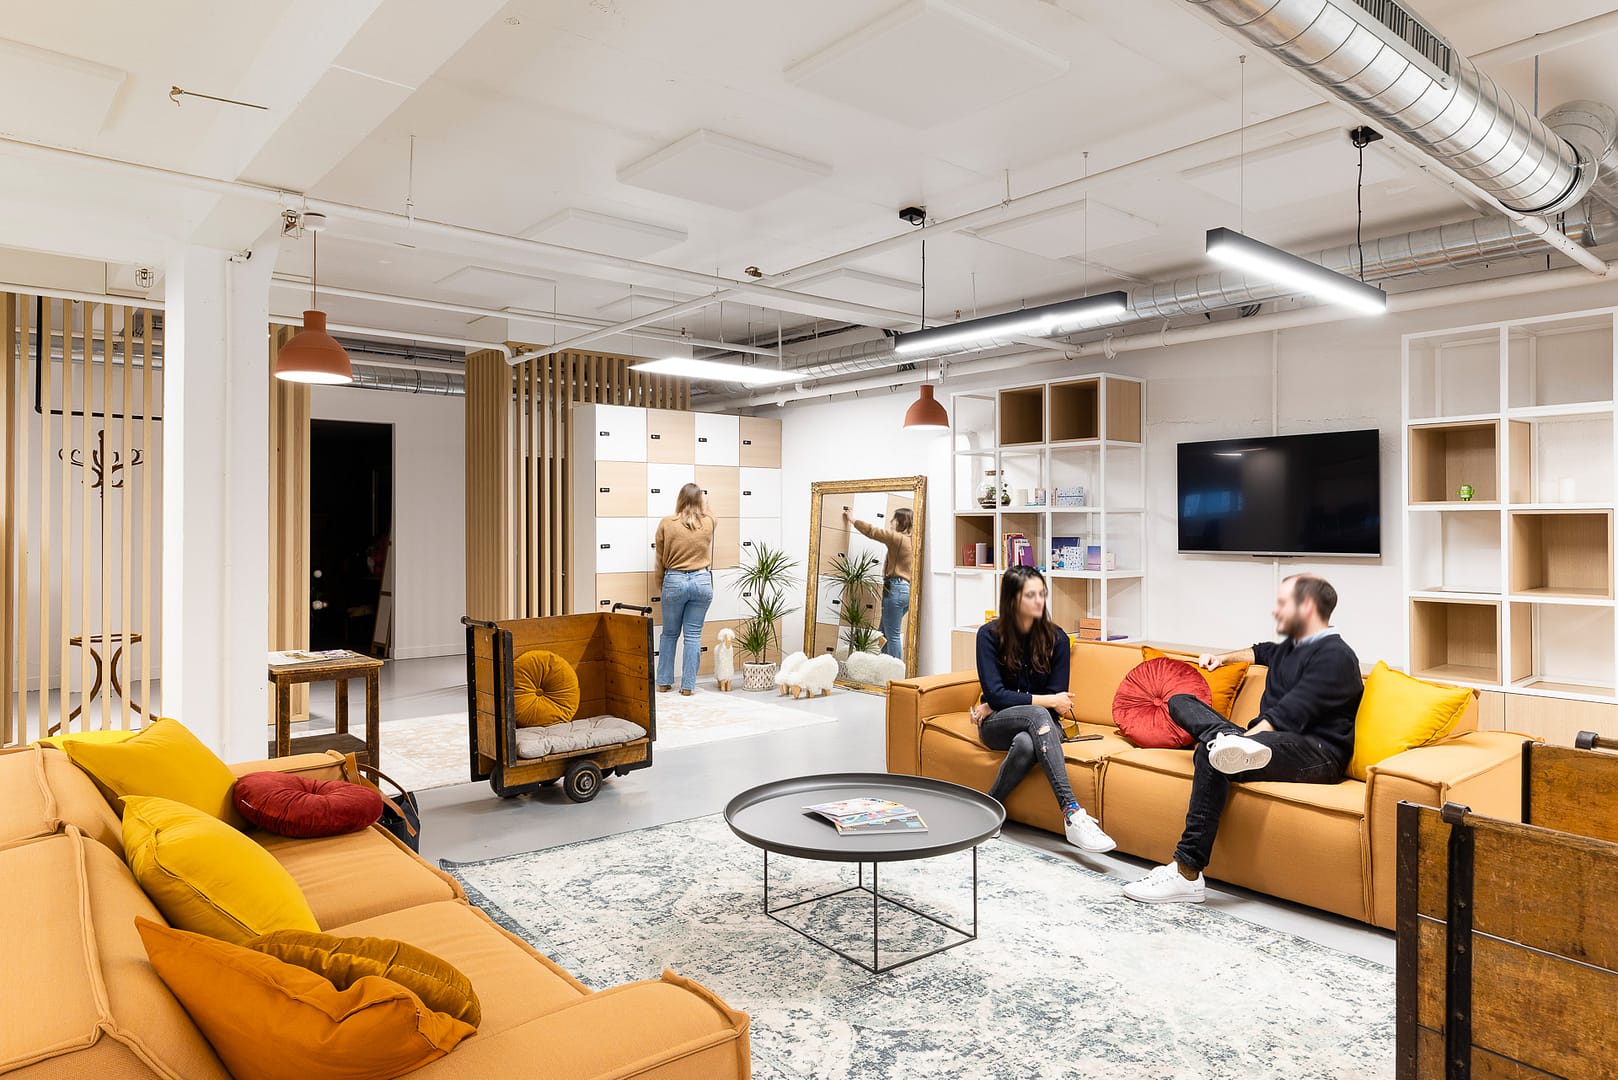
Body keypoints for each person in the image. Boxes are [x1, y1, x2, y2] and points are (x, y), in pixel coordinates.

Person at [1123, 574, 1363, 904]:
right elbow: (1261, 651)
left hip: (1317, 752)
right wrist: (1223, 658)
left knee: (1212, 753)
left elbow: (1286, 716)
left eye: (1283, 603)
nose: (1276, 610)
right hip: (1275, 742)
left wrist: (1240, 740)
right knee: (1179, 701)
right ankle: (1229, 742)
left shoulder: (1335, 657)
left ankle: (1187, 873)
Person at [970, 565, 1115, 853]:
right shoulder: (988, 635)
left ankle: (987, 812)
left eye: (1042, 594)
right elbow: (1013, 698)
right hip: (998, 723)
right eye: (1030, 595)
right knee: (1037, 713)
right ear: (1012, 600)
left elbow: (1054, 704)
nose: (1039, 601)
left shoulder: (1057, 639)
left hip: (1044, 724)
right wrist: (1038, 700)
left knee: (1026, 743)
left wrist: (1005, 699)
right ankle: (1072, 812)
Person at [653, 483, 715, 696]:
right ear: (700, 500)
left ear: (679, 499)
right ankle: (688, 686)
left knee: (669, 634)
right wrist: (704, 501)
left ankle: (663, 682)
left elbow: (660, 559)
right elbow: (710, 513)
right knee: (693, 636)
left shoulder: (666, 523)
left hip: (675, 580)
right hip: (702, 581)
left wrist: (662, 583)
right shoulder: (708, 522)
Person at [844, 506, 913, 660]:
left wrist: (852, 519)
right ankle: (881, 663)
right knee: (883, 631)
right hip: (906, 590)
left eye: (894, 519)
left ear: (901, 522)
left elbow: (873, 531)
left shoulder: (899, 539)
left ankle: (895, 672)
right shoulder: (913, 542)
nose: (891, 521)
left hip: (895, 588)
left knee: (892, 635)